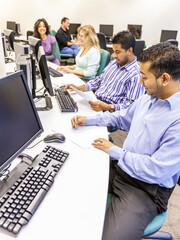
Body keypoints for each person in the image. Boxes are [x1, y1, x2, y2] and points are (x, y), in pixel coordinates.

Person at [70, 42, 180, 240]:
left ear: (164, 78)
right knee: (74, 175)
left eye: (144, 77)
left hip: (146, 188)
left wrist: (114, 150)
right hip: (123, 167)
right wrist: (90, 120)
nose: (140, 82)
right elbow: (121, 117)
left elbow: (155, 170)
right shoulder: (149, 97)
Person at [65, 31, 145, 112]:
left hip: (110, 112)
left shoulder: (136, 75)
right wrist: (80, 88)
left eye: (117, 52)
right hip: (97, 101)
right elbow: (100, 80)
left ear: (129, 51)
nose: (114, 55)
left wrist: (107, 107)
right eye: (114, 51)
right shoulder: (114, 63)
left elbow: (131, 107)